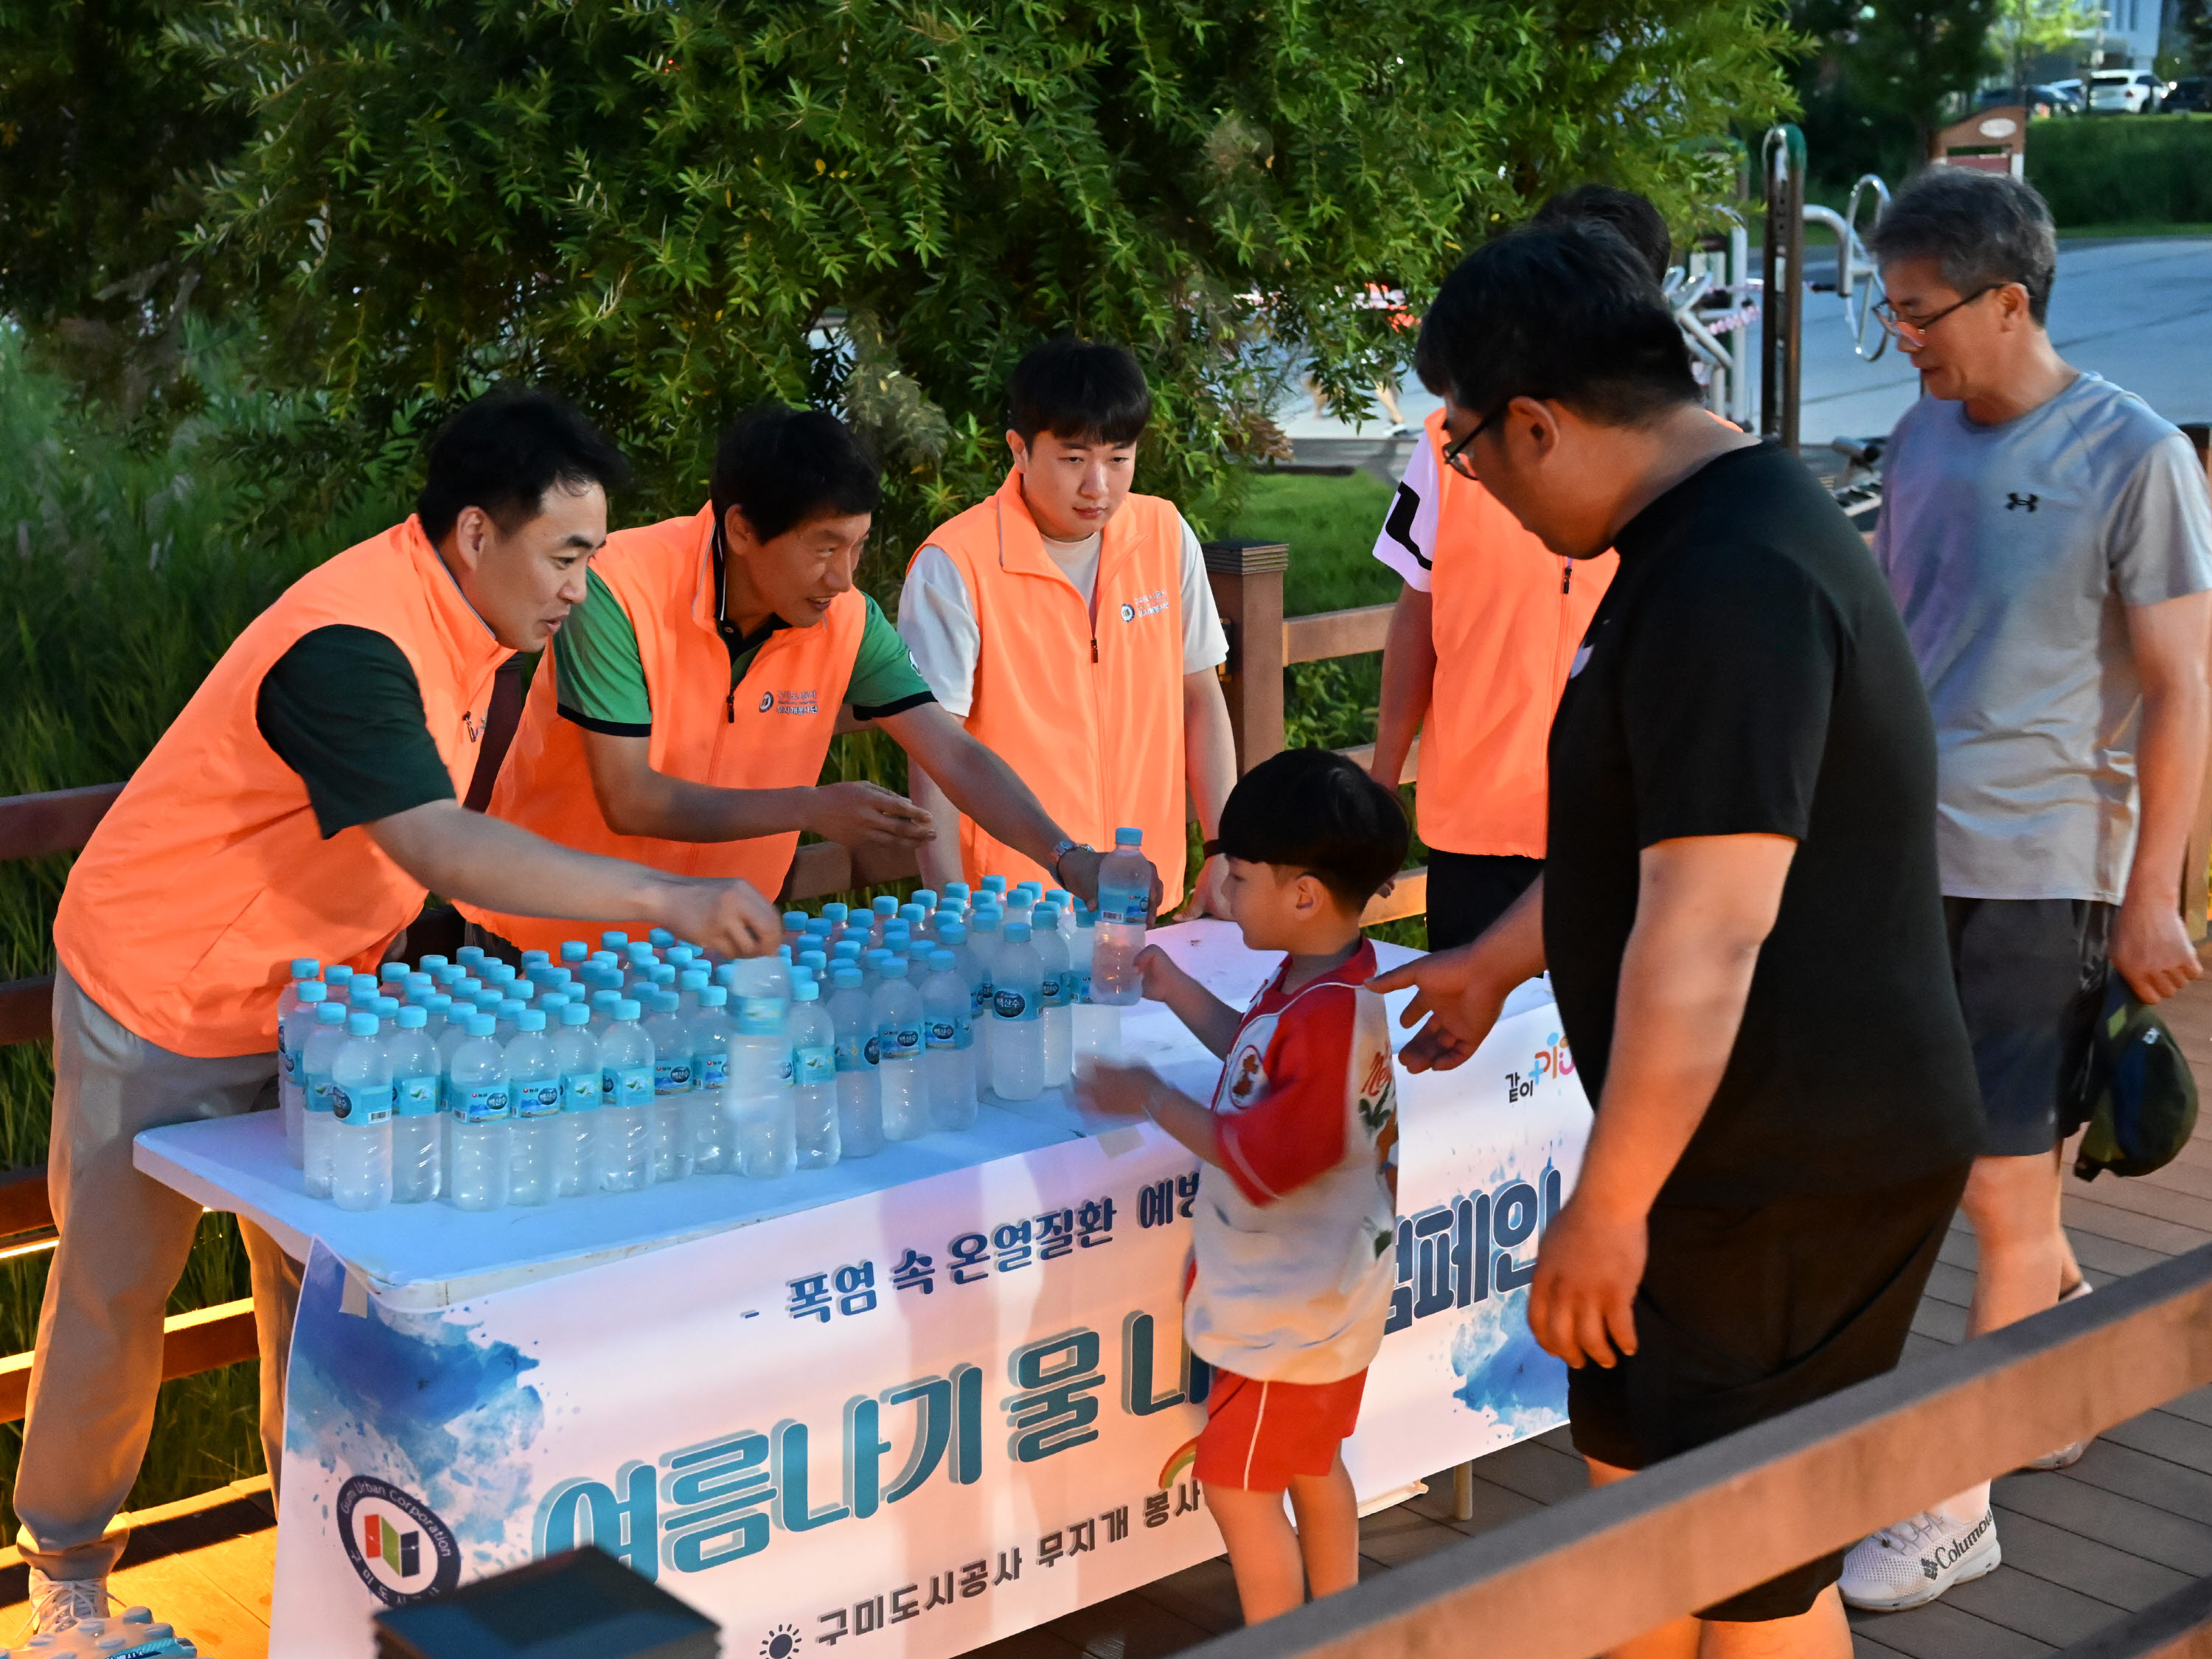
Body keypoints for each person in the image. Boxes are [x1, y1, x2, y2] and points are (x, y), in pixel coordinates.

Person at [28, 389, 784, 1637]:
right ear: (479, 535)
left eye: (595, 559)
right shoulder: (350, 642)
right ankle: (67, 1592)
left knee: (323, 1297)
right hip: (160, 989)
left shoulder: (477, 628)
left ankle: (320, 1566)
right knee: (117, 1293)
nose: (581, 593)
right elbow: (439, 840)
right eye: (568, 557)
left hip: (317, 1009)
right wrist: (668, 898)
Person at [1372, 223, 1983, 1659]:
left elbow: (1708, 931)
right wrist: (1499, 959)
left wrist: (1610, 1201)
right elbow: (1652, 848)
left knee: (1749, 1576)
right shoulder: (1701, 534)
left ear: (1536, 423)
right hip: (1731, 1145)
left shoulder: (1734, 579)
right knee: (1645, 1537)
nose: (1482, 496)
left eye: (1467, 456)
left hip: (1785, 1163)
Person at [1839, 169, 2212, 1611]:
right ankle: (2055, 1353)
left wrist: (2153, 897)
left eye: (1922, 314)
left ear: (2009, 300)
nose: (1906, 341)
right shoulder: (1921, 435)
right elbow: (1901, 639)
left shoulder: (2133, 457)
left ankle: (1958, 1501)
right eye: (1890, 315)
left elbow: (2183, 690)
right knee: (1965, 1182)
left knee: (2000, 1192)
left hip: (2041, 874)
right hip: (1900, 872)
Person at [459, 405, 1106, 951]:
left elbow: (955, 755)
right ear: (741, 529)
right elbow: (631, 799)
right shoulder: (614, 589)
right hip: (541, 952)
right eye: (824, 548)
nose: (844, 577)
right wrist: (814, 807)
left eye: (858, 546)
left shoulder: (846, 619)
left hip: (716, 955)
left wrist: (1067, 858)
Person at [1071, 748, 1407, 1624]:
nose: (1222, 891)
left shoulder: (1330, 1014)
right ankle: (1340, 1625)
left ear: (1302, 893)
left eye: (1240, 877)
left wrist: (1147, 1095)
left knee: (1237, 1487)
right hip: (1332, 1296)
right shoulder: (1328, 979)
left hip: (1289, 1314)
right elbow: (1265, 1072)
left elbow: (1264, 1154)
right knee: (1311, 1465)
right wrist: (1179, 990)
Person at [1370, 185, 1674, 947]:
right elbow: (1418, 612)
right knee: (1475, 1061)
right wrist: (1381, 781)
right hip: (1475, 828)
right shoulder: (1450, 442)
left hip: (1628, 835)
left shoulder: (1696, 468)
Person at [897, 338, 1239, 917]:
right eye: (1075, 459)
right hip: (1011, 915)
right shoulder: (955, 564)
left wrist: (1223, 850)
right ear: (1020, 450)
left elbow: (1200, 696)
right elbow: (935, 755)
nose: (1097, 487)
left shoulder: (1163, 533)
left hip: (1147, 894)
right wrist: (947, 910)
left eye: (1118, 459)